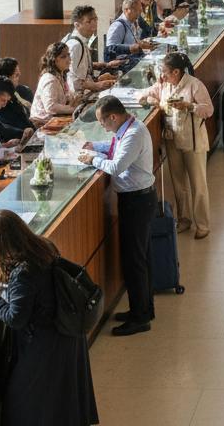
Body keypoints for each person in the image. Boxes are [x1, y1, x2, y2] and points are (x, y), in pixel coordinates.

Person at [0, 210, 99, 426]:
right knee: (60, 400)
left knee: (24, 402)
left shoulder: (24, 271)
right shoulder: (44, 247)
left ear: (2, 244)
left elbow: (15, 318)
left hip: (43, 344)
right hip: (65, 335)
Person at [78, 96, 156, 335]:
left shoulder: (134, 134)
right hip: (136, 199)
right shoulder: (128, 127)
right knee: (140, 258)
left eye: (103, 121)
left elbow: (116, 166)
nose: (102, 126)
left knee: (135, 261)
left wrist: (93, 159)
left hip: (137, 201)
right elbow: (115, 147)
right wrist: (97, 147)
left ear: (113, 116)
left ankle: (140, 317)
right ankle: (143, 308)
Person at [139, 52, 214, 238]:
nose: (161, 76)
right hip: (172, 140)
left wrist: (189, 106)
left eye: (164, 72)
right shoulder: (164, 85)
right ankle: (184, 219)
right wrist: (153, 100)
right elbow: (143, 95)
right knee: (178, 183)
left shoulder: (194, 85)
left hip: (192, 141)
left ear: (176, 72)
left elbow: (208, 110)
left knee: (198, 185)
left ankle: (203, 225)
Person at [0, 57, 39, 142]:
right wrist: (24, 132)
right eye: (16, 75)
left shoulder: (19, 92)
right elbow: (4, 129)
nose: (19, 78)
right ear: (5, 79)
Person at [32, 42, 81, 122]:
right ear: (54, 60)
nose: (68, 59)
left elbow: (65, 97)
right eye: (63, 57)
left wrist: (74, 99)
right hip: (43, 122)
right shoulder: (49, 79)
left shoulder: (61, 75)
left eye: (68, 55)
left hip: (56, 118)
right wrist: (72, 108)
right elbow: (50, 107)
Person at [105, 0, 155, 71]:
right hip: (121, 67)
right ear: (126, 10)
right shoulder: (118, 26)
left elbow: (131, 42)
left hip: (132, 61)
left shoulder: (131, 23)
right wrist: (129, 48)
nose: (138, 14)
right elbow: (110, 49)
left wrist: (142, 44)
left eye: (140, 11)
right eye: (136, 10)